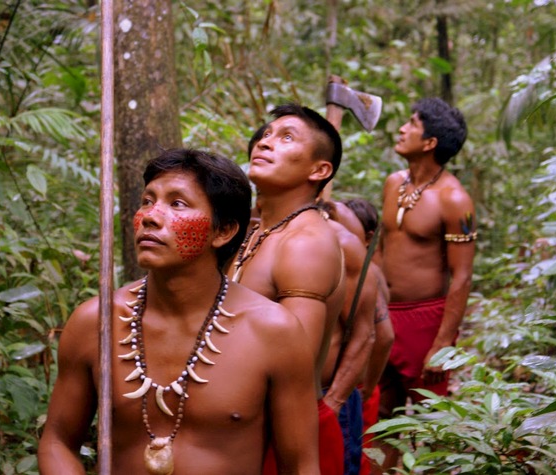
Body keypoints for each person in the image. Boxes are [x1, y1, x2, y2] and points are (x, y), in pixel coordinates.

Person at [38, 149, 321, 475]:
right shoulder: (96, 323)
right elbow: (57, 441)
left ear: (223, 231)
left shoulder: (274, 332)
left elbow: (300, 466)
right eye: (147, 200)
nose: (150, 216)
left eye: (177, 204)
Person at [232, 104, 347, 475]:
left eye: (286, 137)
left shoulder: (305, 243)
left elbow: (292, 368)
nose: (265, 143)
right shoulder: (256, 232)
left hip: (284, 436)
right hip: (243, 425)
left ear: (319, 170)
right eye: (266, 134)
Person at [376, 98, 475, 472]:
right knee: (383, 413)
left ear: (430, 142)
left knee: (432, 418)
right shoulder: (392, 184)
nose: (402, 129)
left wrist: (442, 344)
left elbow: (462, 276)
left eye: (412, 123)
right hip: (384, 314)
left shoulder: (455, 200)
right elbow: (382, 250)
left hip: (426, 320)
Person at [317, 199, 377, 475]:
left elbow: (375, 334)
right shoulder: (256, 234)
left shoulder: (344, 245)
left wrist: (336, 402)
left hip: (325, 397)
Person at [334, 198, 394, 475]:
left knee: (357, 455)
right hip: (354, 383)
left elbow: (383, 336)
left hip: (356, 384)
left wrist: (367, 385)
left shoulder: (368, 273)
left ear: (367, 238)